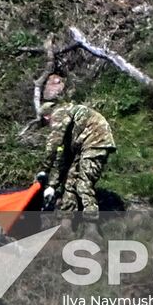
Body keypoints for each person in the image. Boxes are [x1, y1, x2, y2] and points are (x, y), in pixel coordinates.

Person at [38, 75, 116, 212]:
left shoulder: (59, 114)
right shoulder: (68, 126)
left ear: (46, 117)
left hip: (95, 141)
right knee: (69, 182)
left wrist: (44, 171)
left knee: (83, 185)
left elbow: (53, 146)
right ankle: (67, 220)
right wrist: (52, 185)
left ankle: (91, 227)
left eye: (46, 123)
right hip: (86, 144)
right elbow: (61, 160)